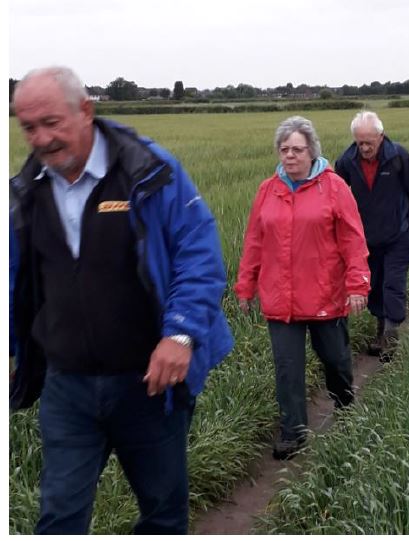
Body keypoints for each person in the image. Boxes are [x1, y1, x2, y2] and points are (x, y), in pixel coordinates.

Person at [9, 67, 234, 535]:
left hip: (148, 383)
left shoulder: (147, 169)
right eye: (28, 127)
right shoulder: (26, 192)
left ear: (85, 111)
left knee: (163, 511)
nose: (41, 139)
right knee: (59, 517)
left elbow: (199, 252)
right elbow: (15, 279)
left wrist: (180, 334)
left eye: (51, 122)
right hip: (67, 386)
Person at [234, 116, 370, 460]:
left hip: (326, 294)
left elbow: (353, 239)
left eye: (297, 149)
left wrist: (358, 284)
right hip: (281, 299)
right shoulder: (268, 190)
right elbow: (254, 241)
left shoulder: (334, 187)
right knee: (287, 369)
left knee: (335, 360)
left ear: (311, 152)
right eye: (284, 150)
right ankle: (292, 432)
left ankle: (344, 405)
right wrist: (245, 285)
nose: (290, 156)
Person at [335, 111, 409, 358]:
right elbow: (335, 199)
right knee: (374, 287)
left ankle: (390, 337)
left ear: (381, 136)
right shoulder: (346, 162)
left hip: (399, 237)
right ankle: (380, 330)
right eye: (360, 143)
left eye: (369, 142)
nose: (364, 148)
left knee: (392, 284)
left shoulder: (399, 157)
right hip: (366, 240)